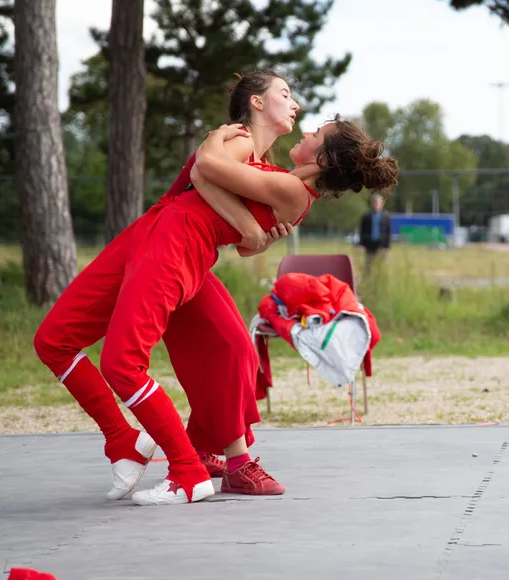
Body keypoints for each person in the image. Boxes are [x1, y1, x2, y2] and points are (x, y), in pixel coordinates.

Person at [34, 69, 303, 506]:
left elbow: (239, 238)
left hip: (172, 243)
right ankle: (134, 443)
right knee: (61, 343)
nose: (295, 105)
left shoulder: (265, 168)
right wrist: (250, 228)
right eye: (285, 94)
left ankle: (193, 463)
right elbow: (202, 175)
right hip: (161, 237)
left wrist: (255, 235)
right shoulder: (236, 141)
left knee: (222, 346)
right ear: (256, 102)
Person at [357, 193, 392, 277]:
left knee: (380, 265)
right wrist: (361, 244)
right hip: (369, 243)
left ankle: (379, 279)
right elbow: (362, 231)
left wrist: (387, 246)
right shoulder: (366, 216)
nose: (376, 204)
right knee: (368, 264)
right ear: (372, 203)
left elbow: (388, 232)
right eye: (375, 202)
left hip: (381, 244)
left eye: (378, 202)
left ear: (382, 204)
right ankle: (367, 279)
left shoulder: (386, 217)